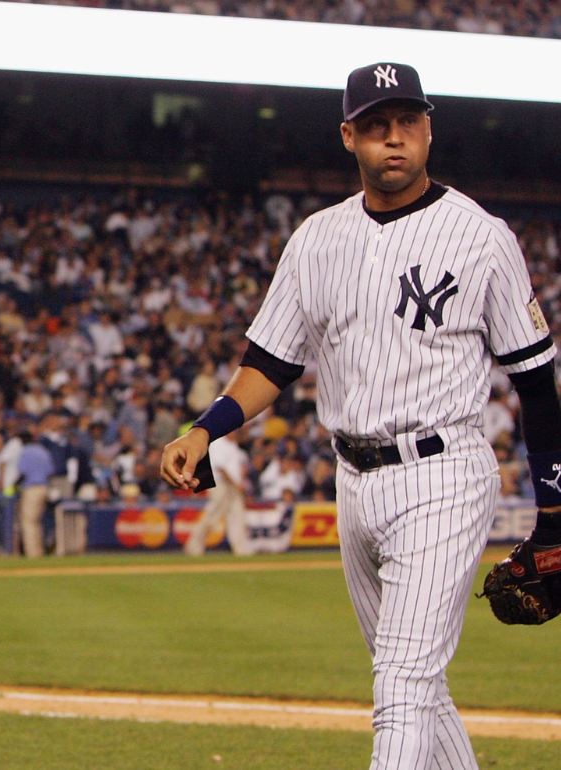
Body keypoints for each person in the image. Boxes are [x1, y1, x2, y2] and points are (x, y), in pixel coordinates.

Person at [161, 62, 561, 770]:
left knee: (401, 685)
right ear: (350, 137)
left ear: (430, 129)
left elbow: (535, 380)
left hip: (443, 474)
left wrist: (557, 514)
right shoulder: (317, 239)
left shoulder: (481, 236)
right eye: (377, 127)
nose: (395, 139)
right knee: (415, 683)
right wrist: (206, 428)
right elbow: (272, 363)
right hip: (355, 479)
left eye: (408, 122)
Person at [184, 427, 251, 556]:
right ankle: (194, 547)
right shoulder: (219, 443)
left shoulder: (233, 445)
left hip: (232, 485)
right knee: (212, 515)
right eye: (233, 430)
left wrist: (239, 483)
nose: (235, 433)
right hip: (220, 484)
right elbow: (220, 468)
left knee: (237, 515)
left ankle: (242, 550)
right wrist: (236, 483)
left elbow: (236, 467)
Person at [15, 423, 55, 557]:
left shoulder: (26, 451)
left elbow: (23, 473)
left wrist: (14, 486)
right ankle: (39, 550)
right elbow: (50, 471)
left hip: (31, 488)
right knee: (37, 522)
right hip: (44, 487)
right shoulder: (42, 451)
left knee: (29, 522)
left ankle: (33, 553)